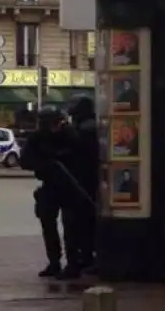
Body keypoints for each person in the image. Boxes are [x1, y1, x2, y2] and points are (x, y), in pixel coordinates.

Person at [20, 107, 75, 278]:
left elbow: (80, 154)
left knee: (71, 227)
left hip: (69, 186)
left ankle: (73, 263)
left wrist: (62, 156)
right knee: (48, 225)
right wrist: (44, 163)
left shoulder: (68, 135)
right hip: (50, 185)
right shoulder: (38, 138)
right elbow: (25, 161)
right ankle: (54, 262)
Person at [65, 95, 100, 275]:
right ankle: (85, 257)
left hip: (83, 183)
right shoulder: (86, 127)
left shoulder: (85, 130)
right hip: (84, 182)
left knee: (80, 224)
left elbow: (76, 154)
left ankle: (83, 258)